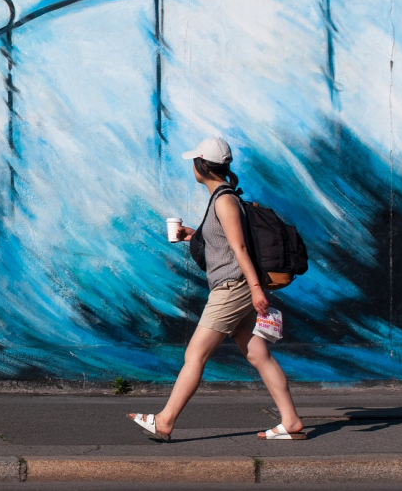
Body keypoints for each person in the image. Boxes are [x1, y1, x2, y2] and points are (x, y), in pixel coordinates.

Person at [129, 137, 305, 441]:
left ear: (200, 166)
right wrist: (192, 236)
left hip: (232, 288)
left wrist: (255, 289)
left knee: (195, 354)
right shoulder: (224, 198)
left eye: (192, 163)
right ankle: (290, 421)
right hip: (238, 286)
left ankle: (165, 420)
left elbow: (239, 248)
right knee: (258, 355)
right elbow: (226, 241)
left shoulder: (224, 200)